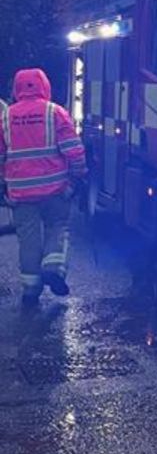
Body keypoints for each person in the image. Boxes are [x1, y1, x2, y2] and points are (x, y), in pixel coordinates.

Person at [0, 69, 87, 304]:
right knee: (57, 227)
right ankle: (54, 268)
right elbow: (74, 150)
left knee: (28, 239)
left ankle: (30, 289)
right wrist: (77, 178)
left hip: (20, 193)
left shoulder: (6, 117)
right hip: (55, 190)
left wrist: (3, 187)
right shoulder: (55, 113)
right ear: (44, 86)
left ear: (17, 88)